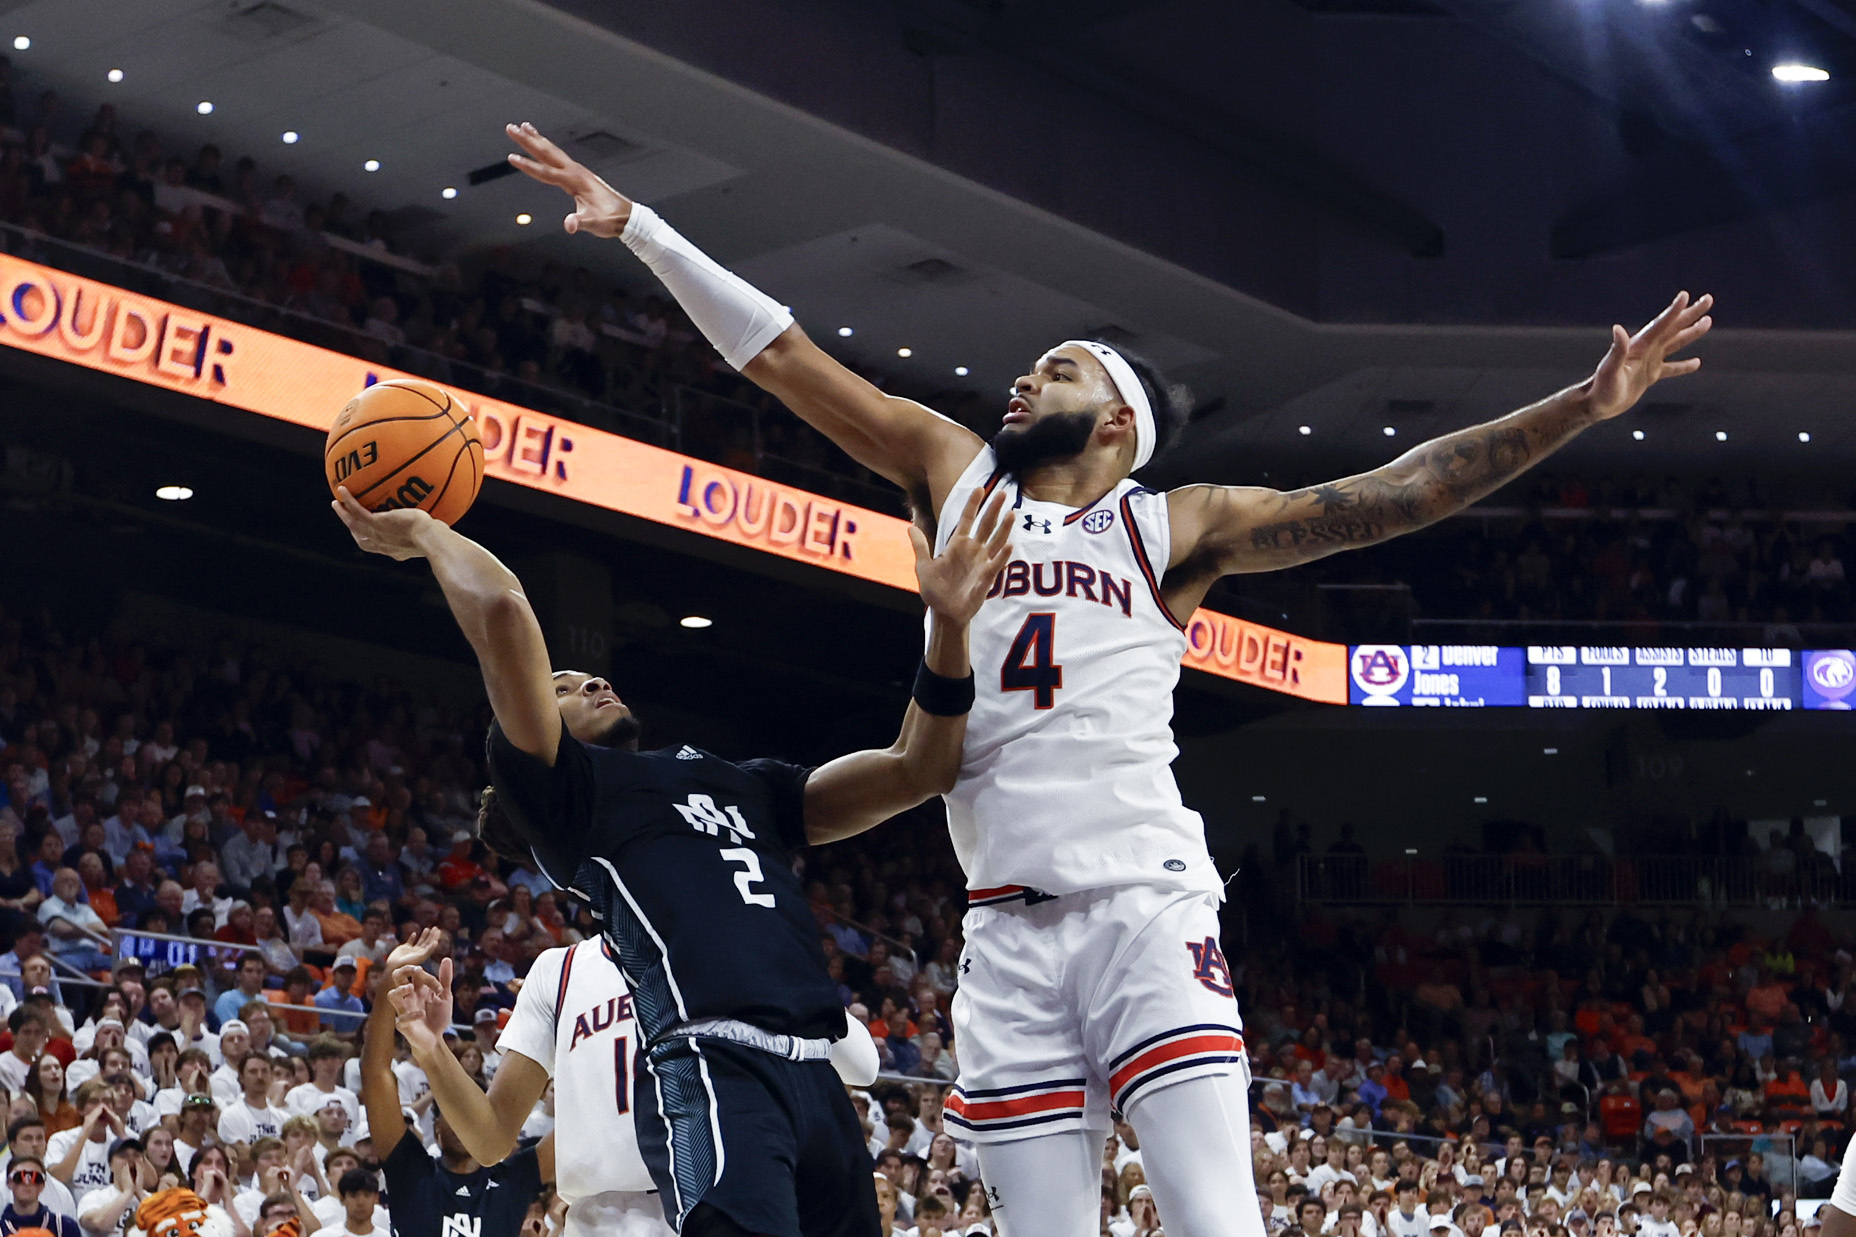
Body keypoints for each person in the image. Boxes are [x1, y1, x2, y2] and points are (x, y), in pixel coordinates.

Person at [505, 119, 1714, 1237]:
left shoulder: (1171, 527)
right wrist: (646, 229)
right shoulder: (953, 469)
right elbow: (789, 362)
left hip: (1142, 900)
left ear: (1115, 427)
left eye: (1058, 372)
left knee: (1210, 1218)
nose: (1023, 383)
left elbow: (1398, 494)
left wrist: (1578, 406)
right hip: (1003, 929)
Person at [333, 442, 1007, 1237]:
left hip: (810, 1081)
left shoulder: (737, 779)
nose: (584, 678)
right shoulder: (573, 805)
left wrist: (949, 628)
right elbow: (506, 612)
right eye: (557, 687)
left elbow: (918, 766)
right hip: (710, 1076)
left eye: (584, 674)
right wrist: (428, 533)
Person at [388, 932, 668, 1237]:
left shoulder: (714, 948)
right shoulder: (560, 969)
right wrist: (432, 1048)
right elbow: (490, 1140)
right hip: (596, 1217)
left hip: (698, 1203)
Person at [358, 936, 546, 1237]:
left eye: (472, 1109)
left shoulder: (514, 1177)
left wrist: (551, 1019)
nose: (463, 1121)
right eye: (452, 1112)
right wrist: (389, 982)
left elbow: (584, 1123)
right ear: (435, 1130)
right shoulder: (411, 1169)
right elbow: (376, 1073)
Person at [3, 1154, 78, 1237]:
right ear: (8, 1183)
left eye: (36, 1177)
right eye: (19, 1177)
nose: (27, 1183)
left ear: (42, 1185)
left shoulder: (64, 1227)